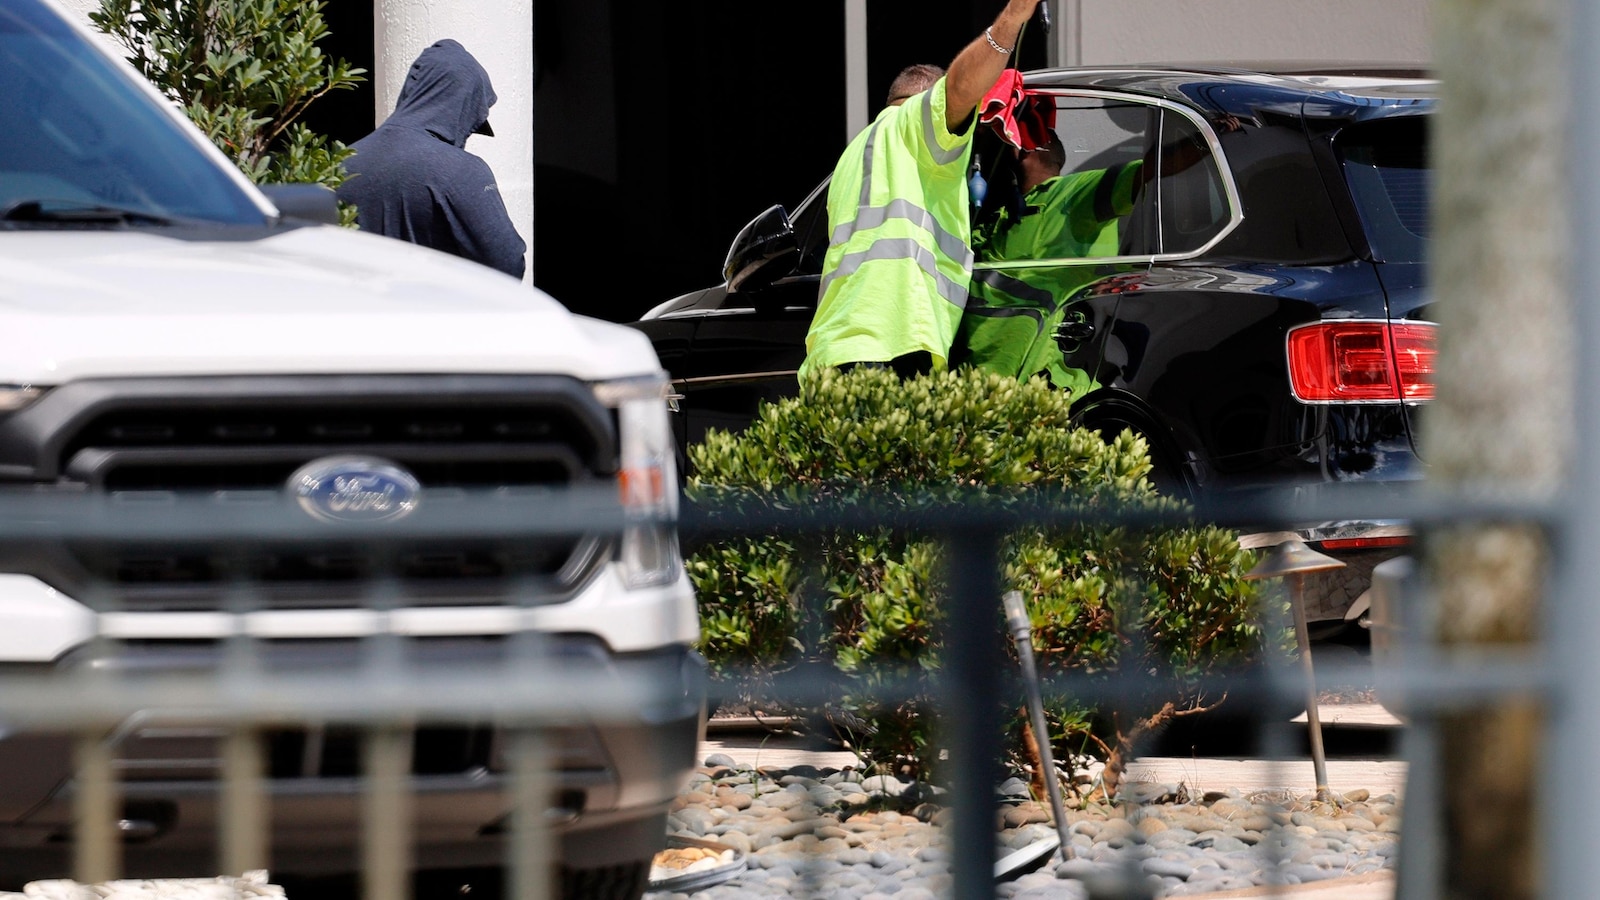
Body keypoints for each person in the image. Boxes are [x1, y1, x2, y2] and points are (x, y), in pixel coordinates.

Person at [799, 0, 1044, 380]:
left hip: (834, 349)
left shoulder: (857, 152)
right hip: (893, 343)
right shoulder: (915, 127)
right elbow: (960, 88)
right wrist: (1013, 17)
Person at [336, 39, 527, 279]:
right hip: (434, 313)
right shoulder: (460, 171)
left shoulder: (342, 163)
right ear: (463, 106)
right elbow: (507, 265)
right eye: (472, 122)